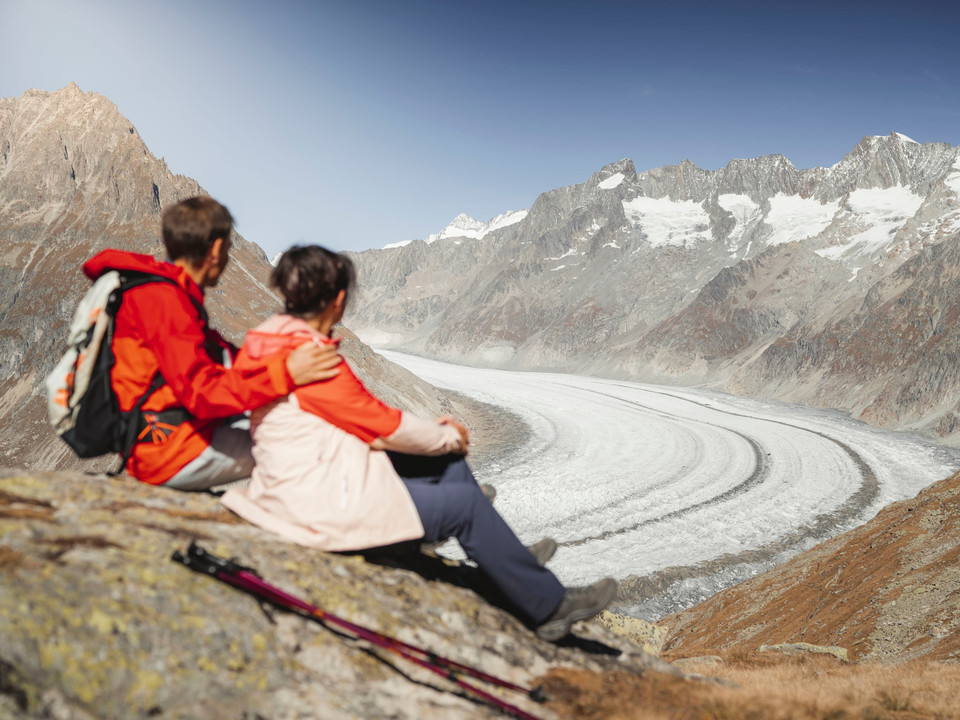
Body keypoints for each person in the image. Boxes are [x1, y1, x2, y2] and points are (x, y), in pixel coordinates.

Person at [220, 245, 617, 641]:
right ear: (338, 299)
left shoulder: (267, 341)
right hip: (319, 502)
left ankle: (509, 563)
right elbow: (381, 425)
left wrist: (442, 444)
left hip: (306, 478)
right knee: (465, 506)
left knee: (448, 466)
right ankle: (548, 607)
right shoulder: (312, 359)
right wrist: (447, 435)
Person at [82, 196, 340, 489]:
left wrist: (283, 361)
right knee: (300, 445)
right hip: (169, 450)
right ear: (216, 249)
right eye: (229, 248)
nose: (228, 258)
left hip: (168, 431)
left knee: (283, 425)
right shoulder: (166, 303)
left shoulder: (168, 291)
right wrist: (287, 373)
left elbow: (218, 355)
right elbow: (202, 393)